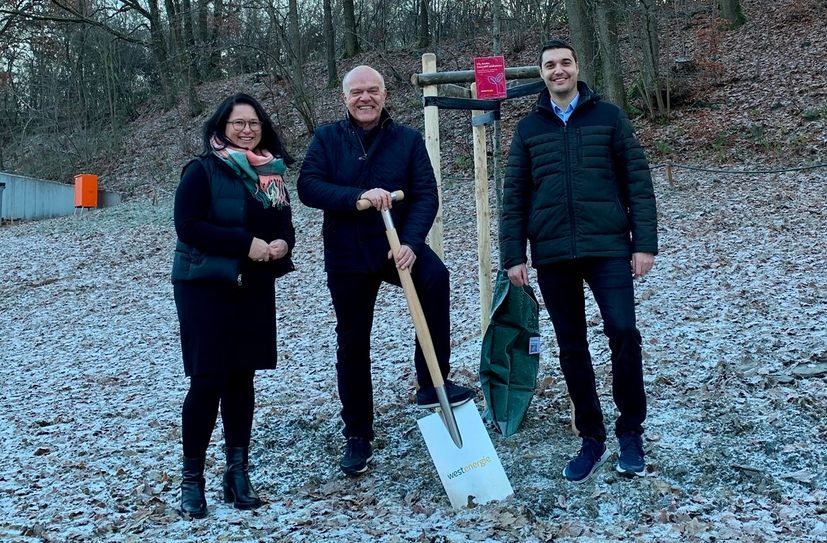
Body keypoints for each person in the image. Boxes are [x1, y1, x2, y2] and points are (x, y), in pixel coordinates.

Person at [296, 65, 474, 477]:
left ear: (384, 95)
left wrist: (411, 243)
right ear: (345, 98)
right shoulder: (327, 138)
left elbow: (426, 194)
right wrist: (357, 197)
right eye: (357, 92)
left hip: (398, 246)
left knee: (435, 278)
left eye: (372, 90)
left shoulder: (407, 140)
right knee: (353, 341)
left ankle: (432, 382)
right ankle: (358, 433)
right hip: (348, 255)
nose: (365, 98)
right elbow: (309, 186)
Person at [500, 39, 658, 483]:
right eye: (550, 65)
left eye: (565, 62)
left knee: (624, 332)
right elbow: (514, 196)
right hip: (552, 253)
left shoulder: (609, 118)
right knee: (571, 347)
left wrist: (643, 243)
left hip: (608, 247)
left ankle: (630, 431)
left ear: (577, 67)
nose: (558, 70)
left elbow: (638, 182)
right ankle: (591, 435)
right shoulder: (529, 129)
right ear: (542, 73)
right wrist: (514, 254)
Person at [171, 93, 296, 518]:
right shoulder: (202, 171)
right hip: (205, 286)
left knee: (242, 379)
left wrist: (282, 244)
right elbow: (188, 227)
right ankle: (192, 481)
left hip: (254, 285)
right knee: (208, 380)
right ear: (221, 128)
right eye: (238, 123)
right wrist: (247, 244)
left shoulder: (272, 176)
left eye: (254, 123)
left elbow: (284, 227)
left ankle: (237, 474)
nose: (247, 129)